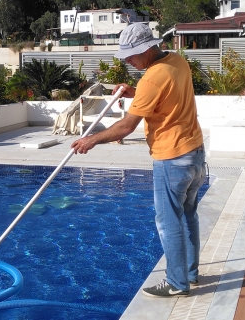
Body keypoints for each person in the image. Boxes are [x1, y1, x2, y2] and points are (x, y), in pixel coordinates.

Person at [70, 23, 206, 298]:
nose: (129, 62)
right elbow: (165, 91)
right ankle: (190, 273)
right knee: (188, 215)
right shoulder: (177, 61)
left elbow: (125, 127)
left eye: (131, 56)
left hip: (172, 158)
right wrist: (134, 90)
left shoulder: (151, 80)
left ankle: (177, 283)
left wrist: (90, 140)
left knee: (169, 222)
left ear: (146, 49)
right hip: (195, 154)